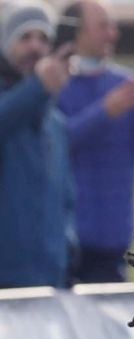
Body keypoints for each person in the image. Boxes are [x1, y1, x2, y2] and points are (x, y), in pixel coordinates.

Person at [54, 1, 134, 284]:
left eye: (113, 26)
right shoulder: (54, 83)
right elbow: (54, 145)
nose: (112, 34)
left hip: (114, 241)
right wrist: (104, 112)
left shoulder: (126, 85)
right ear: (76, 33)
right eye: (103, 27)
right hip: (63, 241)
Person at [0, 2, 73, 290]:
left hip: (48, 279)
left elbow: (66, 199)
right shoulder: (18, 104)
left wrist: (67, 250)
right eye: (25, 37)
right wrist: (37, 88)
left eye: (44, 39)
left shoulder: (55, 124)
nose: (35, 47)